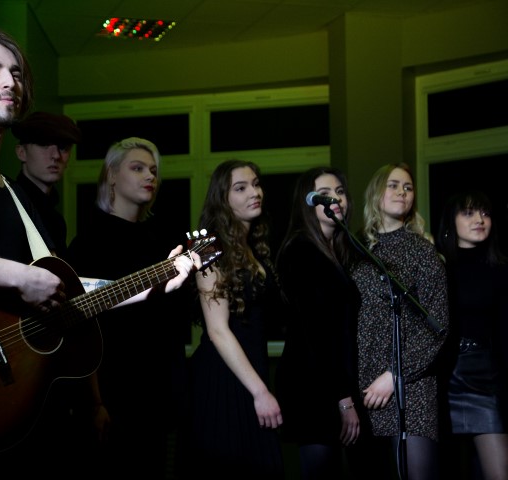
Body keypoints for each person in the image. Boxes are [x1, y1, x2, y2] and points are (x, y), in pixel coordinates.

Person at [0, 27, 199, 479]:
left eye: (15, 73)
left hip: (23, 406)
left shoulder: (22, 199)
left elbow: (63, 291)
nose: (9, 81)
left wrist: (148, 286)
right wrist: (20, 277)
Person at [65, 137, 195, 479]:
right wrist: (93, 402)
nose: (149, 176)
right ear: (111, 175)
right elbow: (80, 326)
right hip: (113, 389)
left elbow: (171, 324)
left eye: (153, 170)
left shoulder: (162, 240)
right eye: (137, 168)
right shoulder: (89, 242)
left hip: (158, 391)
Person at [182, 159, 285, 479]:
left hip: (251, 370)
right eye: (241, 188)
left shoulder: (254, 247)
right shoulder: (206, 248)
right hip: (222, 379)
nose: (255, 192)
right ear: (222, 199)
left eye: (256, 184)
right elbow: (217, 331)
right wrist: (260, 392)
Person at [350, 162, 450, 480]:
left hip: (411, 385)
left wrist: (395, 374)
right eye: (393, 185)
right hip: (365, 385)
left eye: (407, 187)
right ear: (376, 193)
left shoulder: (423, 252)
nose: (402, 192)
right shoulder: (356, 249)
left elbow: (437, 327)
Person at [274, 166, 362, 478]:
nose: (336, 199)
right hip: (313, 388)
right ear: (308, 203)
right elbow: (318, 333)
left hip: (333, 385)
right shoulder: (301, 251)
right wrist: (344, 400)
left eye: (340, 192)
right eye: (325, 194)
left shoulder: (338, 252)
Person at [436, 190, 508, 480]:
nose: (479, 219)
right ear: (451, 222)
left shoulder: (501, 269)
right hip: (443, 376)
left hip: (485, 376)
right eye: (468, 213)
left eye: (485, 213)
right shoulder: (437, 267)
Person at [10, 110, 82, 259]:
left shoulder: (56, 220)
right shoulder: (9, 206)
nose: (56, 155)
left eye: (63, 147)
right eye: (44, 144)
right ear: (21, 152)